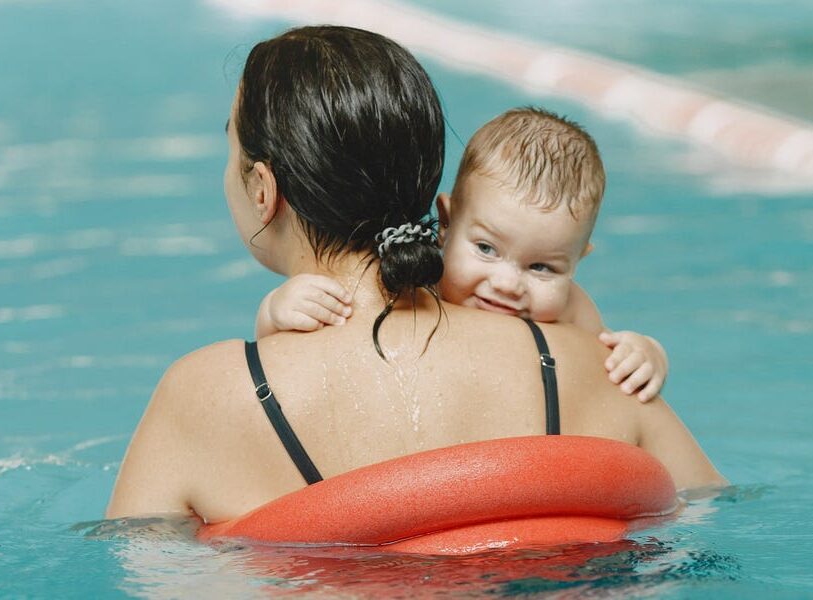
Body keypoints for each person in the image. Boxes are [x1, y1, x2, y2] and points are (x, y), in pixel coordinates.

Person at [106, 25, 725, 524]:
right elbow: (712, 509)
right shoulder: (591, 363)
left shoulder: (205, 397)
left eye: (229, 149)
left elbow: (138, 576)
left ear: (264, 190)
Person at [256, 107, 669, 402]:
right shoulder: (415, 286)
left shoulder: (573, 313)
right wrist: (277, 310)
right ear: (446, 222)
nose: (507, 284)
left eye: (541, 267)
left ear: (578, 261)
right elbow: (301, 360)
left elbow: (607, 367)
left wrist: (645, 352)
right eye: (486, 249)